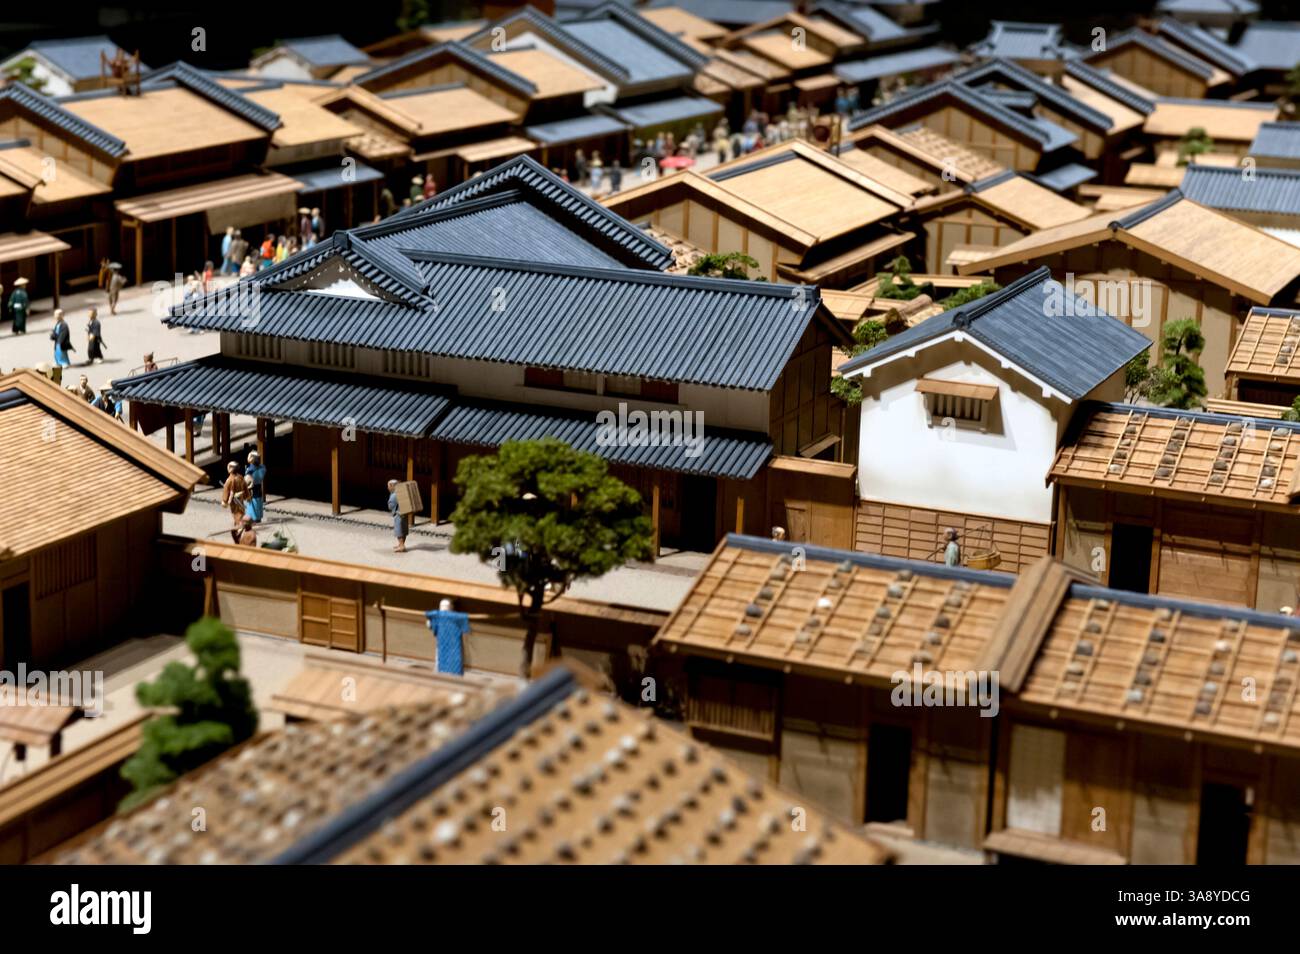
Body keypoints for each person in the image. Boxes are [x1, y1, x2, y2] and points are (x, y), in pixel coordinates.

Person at [222, 461, 248, 527]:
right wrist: (247, 495)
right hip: (240, 497)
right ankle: (239, 522)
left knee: (235, 511)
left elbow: (226, 490)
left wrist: (225, 501)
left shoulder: (230, 480)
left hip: (233, 499)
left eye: (228, 467)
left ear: (231, 469)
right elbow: (245, 486)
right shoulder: (241, 477)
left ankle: (239, 524)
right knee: (240, 510)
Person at [244, 450, 266, 523]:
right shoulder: (262, 468)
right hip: (258, 487)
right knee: (258, 502)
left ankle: (253, 518)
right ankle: (258, 517)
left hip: (252, 488)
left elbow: (247, 480)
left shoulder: (250, 470)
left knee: (253, 503)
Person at [387, 479, 408, 552]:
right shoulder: (401, 492)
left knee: (399, 530)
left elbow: (390, 505)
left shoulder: (394, 495)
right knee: (403, 530)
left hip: (398, 515)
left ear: (392, 486)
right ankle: (401, 544)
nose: (388, 488)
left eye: (389, 486)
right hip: (404, 513)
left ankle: (402, 546)